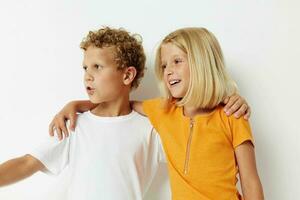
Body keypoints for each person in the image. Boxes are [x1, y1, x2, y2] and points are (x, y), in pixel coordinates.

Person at [50, 27, 262, 199]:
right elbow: (123, 104)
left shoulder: (232, 116)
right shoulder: (165, 112)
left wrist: (230, 97)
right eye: (164, 65)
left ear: (202, 63)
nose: (168, 70)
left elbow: (251, 182)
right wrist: (76, 105)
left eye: (177, 61)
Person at [0, 27, 168, 200]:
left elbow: (187, 141)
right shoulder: (73, 125)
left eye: (97, 67)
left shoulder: (150, 130)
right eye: (85, 68)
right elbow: (27, 163)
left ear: (127, 75)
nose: (87, 76)